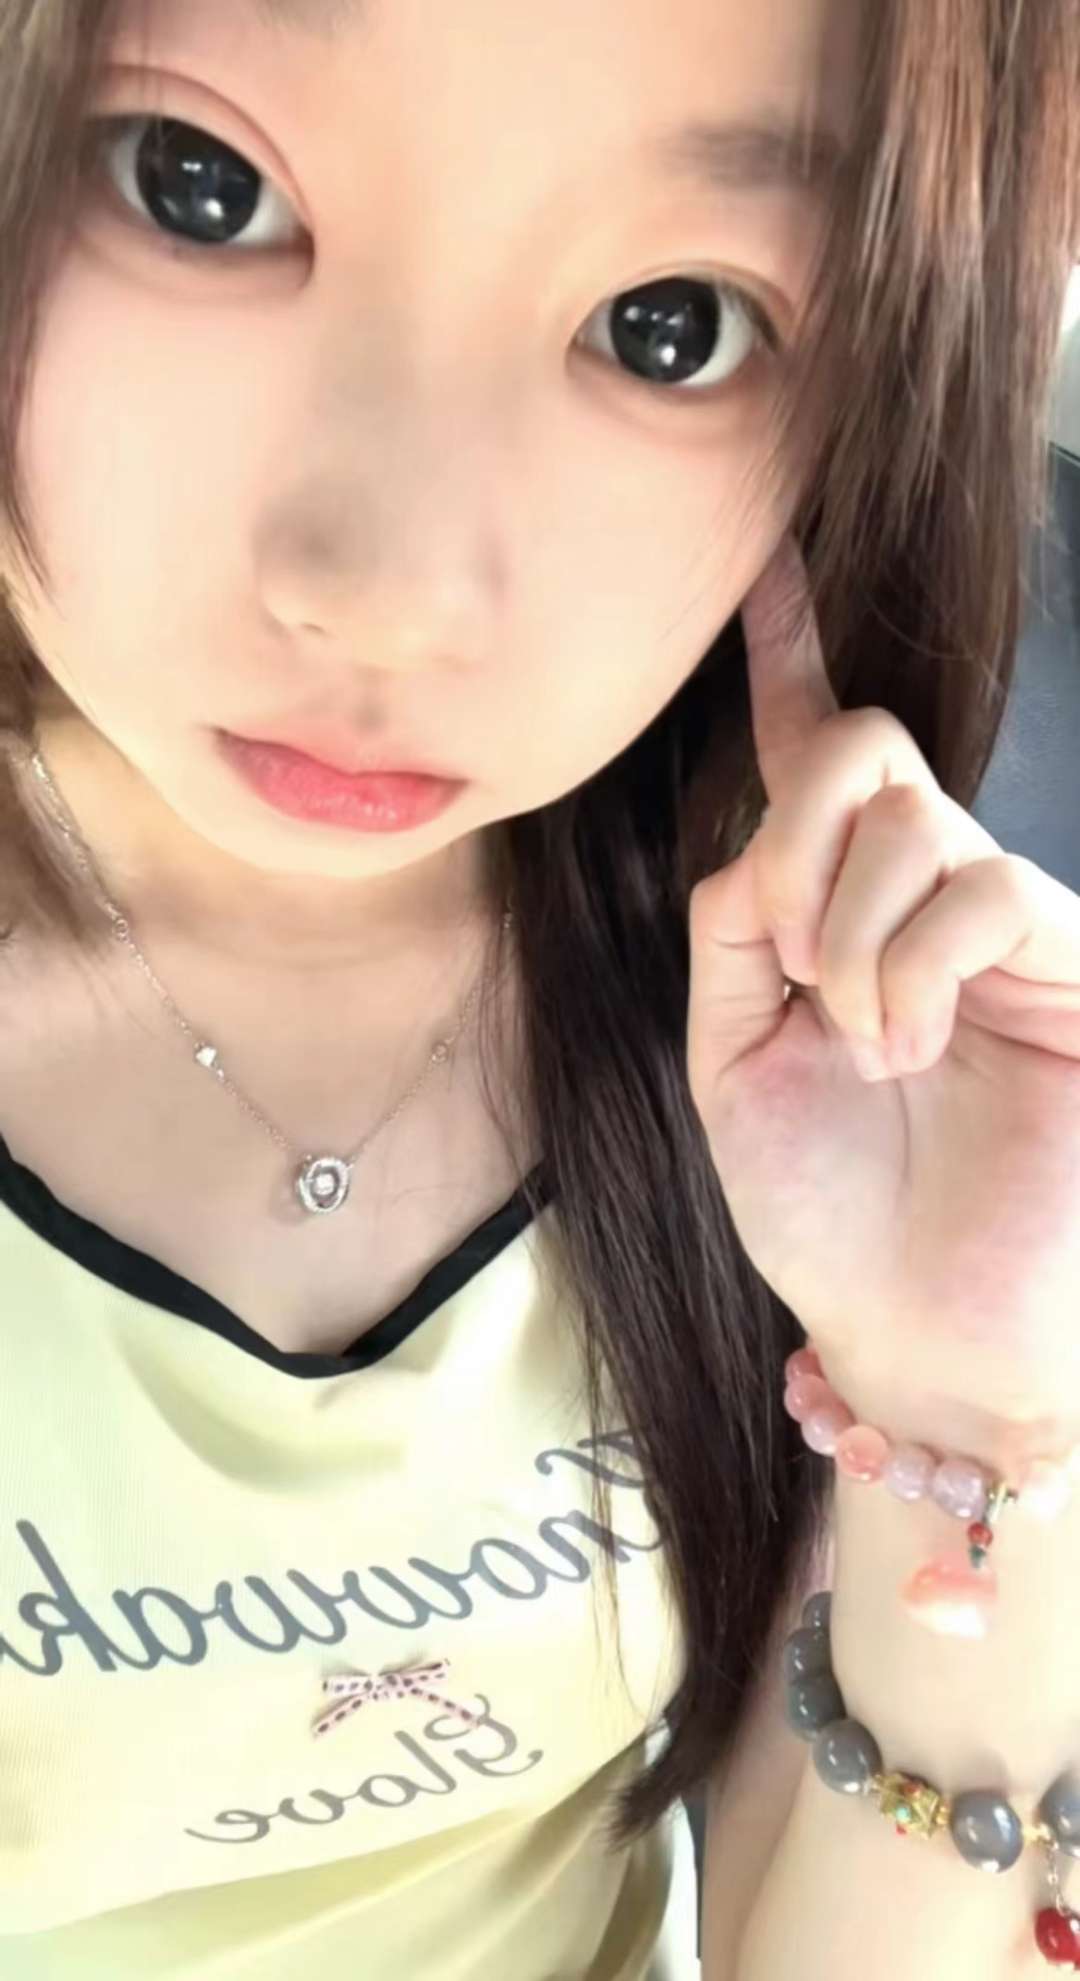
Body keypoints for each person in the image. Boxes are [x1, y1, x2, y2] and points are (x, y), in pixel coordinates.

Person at [0, 0, 1076, 1976]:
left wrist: (962, 1397)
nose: (394, 596)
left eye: (672, 325)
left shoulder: (798, 1044)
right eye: (195, 186)